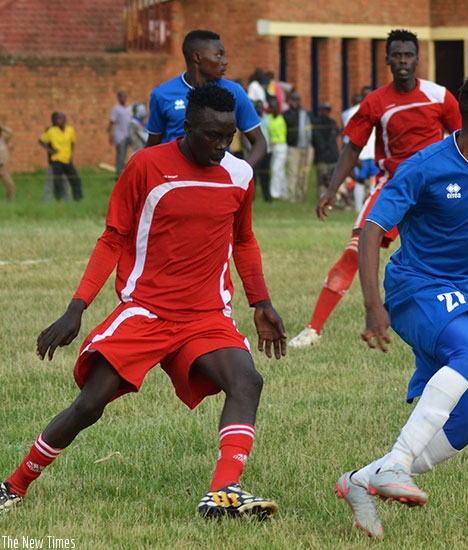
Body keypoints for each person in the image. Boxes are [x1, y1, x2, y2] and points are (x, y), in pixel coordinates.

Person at [0, 85, 287, 519]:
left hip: (206, 315)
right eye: (211, 134)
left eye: (228, 136)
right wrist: (76, 307)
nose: (220, 145)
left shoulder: (240, 175)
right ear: (187, 127)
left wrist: (260, 300)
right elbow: (113, 236)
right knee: (89, 404)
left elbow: (244, 239)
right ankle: (14, 485)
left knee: (247, 381)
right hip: (147, 310)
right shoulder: (146, 166)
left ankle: (223, 492)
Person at [334, 70, 468, 540]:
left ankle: (361, 480)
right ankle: (397, 464)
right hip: (414, 286)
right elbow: (373, 232)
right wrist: (372, 304)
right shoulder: (424, 166)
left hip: (459, 296)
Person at [288, 29, 461, 349]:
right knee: (354, 251)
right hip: (392, 187)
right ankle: (313, 330)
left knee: (444, 255)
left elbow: (462, 143)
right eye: (397, 56)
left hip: (433, 189)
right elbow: (352, 147)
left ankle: (445, 322)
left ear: (418, 58)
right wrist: (331, 188)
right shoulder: (375, 102)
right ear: (387, 60)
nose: (403, 61)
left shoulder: (440, 96)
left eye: (408, 55)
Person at [145, 29, 266, 168]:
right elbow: (152, 145)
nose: (225, 62)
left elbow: (259, 141)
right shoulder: (162, 94)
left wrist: (244, 172)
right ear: (197, 57)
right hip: (174, 178)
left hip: (216, 178)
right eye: (218, 55)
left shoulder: (234, 91)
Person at [39, 112, 83, 201]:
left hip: (67, 159)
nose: (59, 121)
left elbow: (72, 143)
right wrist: (50, 150)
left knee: (75, 179)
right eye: (57, 119)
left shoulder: (70, 130)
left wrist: (71, 154)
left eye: (61, 119)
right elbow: (41, 140)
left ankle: (78, 199)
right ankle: (58, 199)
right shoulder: (51, 131)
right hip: (57, 159)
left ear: (65, 120)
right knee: (57, 181)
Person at [282, 90, 314, 202]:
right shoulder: (288, 113)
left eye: (298, 99)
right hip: (294, 147)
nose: (296, 102)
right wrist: (295, 109)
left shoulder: (307, 113)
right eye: (294, 99)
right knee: (293, 172)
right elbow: (289, 122)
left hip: (307, 147)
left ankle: (302, 196)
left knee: (304, 172)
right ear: (290, 101)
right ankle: (291, 197)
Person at [312, 102, 340, 199]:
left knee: (333, 179)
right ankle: (321, 198)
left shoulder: (332, 122)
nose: (326, 112)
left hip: (333, 156)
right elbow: (317, 140)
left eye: (328, 110)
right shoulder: (316, 123)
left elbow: (336, 134)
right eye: (324, 110)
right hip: (322, 157)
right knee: (322, 180)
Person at [108, 90, 132, 178]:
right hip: (120, 136)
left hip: (128, 135)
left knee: (130, 154)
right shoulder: (116, 109)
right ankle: (118, 175)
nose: (123, 98)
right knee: (120, 156)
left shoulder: (128, 109)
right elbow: (111, 122)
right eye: (121, 97)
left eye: (125, 96)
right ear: (118, 98)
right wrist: (110, 135)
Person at [268, 97, 288, 200]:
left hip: (281, 147)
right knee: (280, 171)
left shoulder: (281, 119)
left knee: (276, 169)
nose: (272, 109)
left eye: (273, 107)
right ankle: (284, 192)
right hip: (273, 147)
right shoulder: (269, 118)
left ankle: (275, 193)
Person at [253, 99, 273, 202]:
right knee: (254, 175)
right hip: (256, 151)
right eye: (258, 107)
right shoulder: (252, 118)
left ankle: (267, 197)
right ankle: (252, 197)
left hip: (267, 151)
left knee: (266, 175)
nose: (260, 109)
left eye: (261, 107)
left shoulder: (267, 118)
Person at [0, 123, 15, 200]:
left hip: (2, 168)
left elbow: (10, 132)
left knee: (10, 184)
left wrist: (2, 127)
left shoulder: (3, 140)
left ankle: (10, 201)